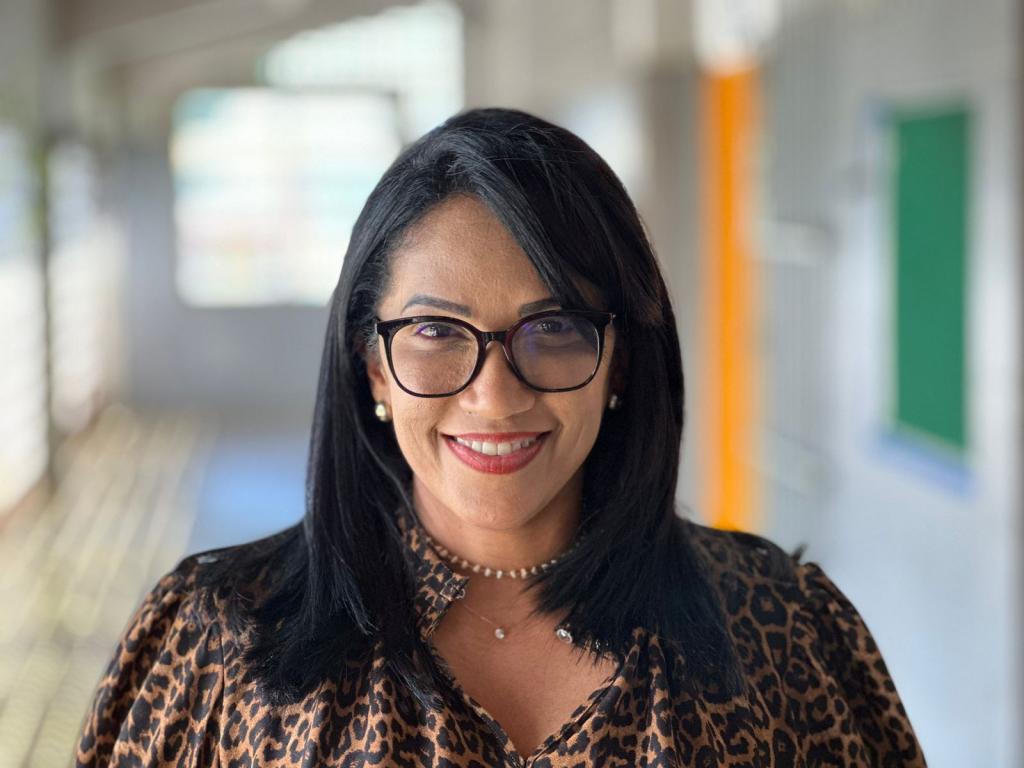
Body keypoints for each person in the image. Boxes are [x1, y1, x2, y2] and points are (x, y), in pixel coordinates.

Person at [75, 107, 927, 767]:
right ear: (372, 367)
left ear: (620, 362)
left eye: (552, 328)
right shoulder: (215, 639)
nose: (494, 396)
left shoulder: (786, 632)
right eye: (435, 331)